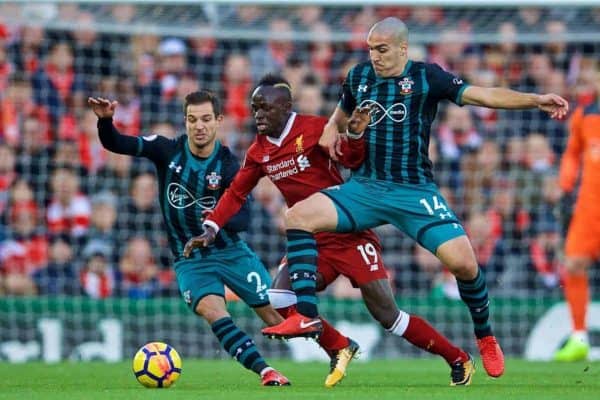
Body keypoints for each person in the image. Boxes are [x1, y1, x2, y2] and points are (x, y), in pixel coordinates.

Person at [244, 17, 568, 379]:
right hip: (365, 188)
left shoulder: (427, 76)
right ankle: (306, 314)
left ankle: (485, 335)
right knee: (297, 217)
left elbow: (483, 94)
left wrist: (534, 100)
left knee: (463, 264)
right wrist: (335, 131)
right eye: (370, 49)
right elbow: (339, 115)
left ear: (402, 48)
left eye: (382, 50)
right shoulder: (358, 76)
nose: (375, 57)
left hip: (414, 190)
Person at [184, 74, 475, 386]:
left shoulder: (314, 129)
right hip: (307, 239)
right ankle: (339, 345)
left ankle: (458, 358)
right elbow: (237, 192)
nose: (259, 115)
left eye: (265, 108)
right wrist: (212, 226)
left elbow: (352, 159)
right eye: (255, 108)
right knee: (279, 298)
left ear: (286, 107)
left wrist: (354, 135)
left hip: (348, 232)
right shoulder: (258, 150)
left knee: (388, 316)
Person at [87, 91, 292, 386]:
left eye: (206, 119)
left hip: (232, 253)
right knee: (213, 311)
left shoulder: (229, 164)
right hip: (190, 259)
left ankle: (335, 348)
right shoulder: (165, 150)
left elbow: (244, 218)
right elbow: (116, 143)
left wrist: (215, 220)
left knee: (278, 319)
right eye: (193, 119)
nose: (199, 126)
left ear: (218, 122)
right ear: (185, 121)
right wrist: (106, 122)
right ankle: (266, 371)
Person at [554, 72, 600, 362]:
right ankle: (579, 336)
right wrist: (565, 186)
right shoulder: (585, 115)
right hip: (590, 205)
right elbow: (572, 154)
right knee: (573, 264)